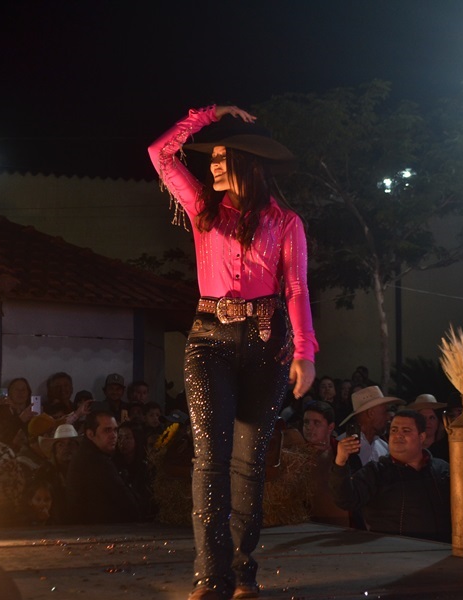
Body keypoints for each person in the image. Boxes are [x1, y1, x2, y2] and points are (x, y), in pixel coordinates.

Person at [149, 104, 317, 600]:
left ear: (249, 162)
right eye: (213, 158)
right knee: (210, 458)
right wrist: (208, 114)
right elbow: (160, 153)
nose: (214, 165)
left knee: (248, 462)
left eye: (223, 158)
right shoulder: (203, 207)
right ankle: (210, 576)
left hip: (268, 345)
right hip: (209, 341)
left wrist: (304, 351)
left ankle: (244, 573)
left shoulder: (286, 222)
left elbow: (297, 288)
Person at [329, 409, 451, 542]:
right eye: (394, 430)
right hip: (393, 551)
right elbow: (346, 500)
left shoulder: (441, 470)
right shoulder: (376, 472)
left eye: (406, 431)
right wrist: (340, 463)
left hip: (440, 549)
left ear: (421, 437)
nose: (398, 435)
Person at [65, 409, 142, 524]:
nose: (113, 435)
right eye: (107, 430)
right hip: (97, 528)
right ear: (90, 434)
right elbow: (125, 499)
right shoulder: (94, 460)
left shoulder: (92, 455)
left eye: (115, 430)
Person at [300, 400, 349, 527]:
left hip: (342, 528)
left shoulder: (344, 453)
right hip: (307, 527)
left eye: (316, 423)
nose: (309, 427)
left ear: (330, 427)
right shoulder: (296, 455)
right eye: (306, 422)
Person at [339, 386, 403, 468]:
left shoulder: (385, 448)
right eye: (385, 412)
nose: (388, 417)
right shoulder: (341, 447)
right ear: (371, 413)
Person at [0, 377, 37, 451]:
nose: (20, 393)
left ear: (28, 393)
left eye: (23, 390)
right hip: (6, 451)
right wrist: (20, 420)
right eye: (17, 389)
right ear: (9, 393)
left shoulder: (33, 412)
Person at [403, 394, 449, 462]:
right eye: (423, 418)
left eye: (432, 418)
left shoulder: (447, 448)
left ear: (438, 421)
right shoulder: (406, 448)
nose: (428, 422)